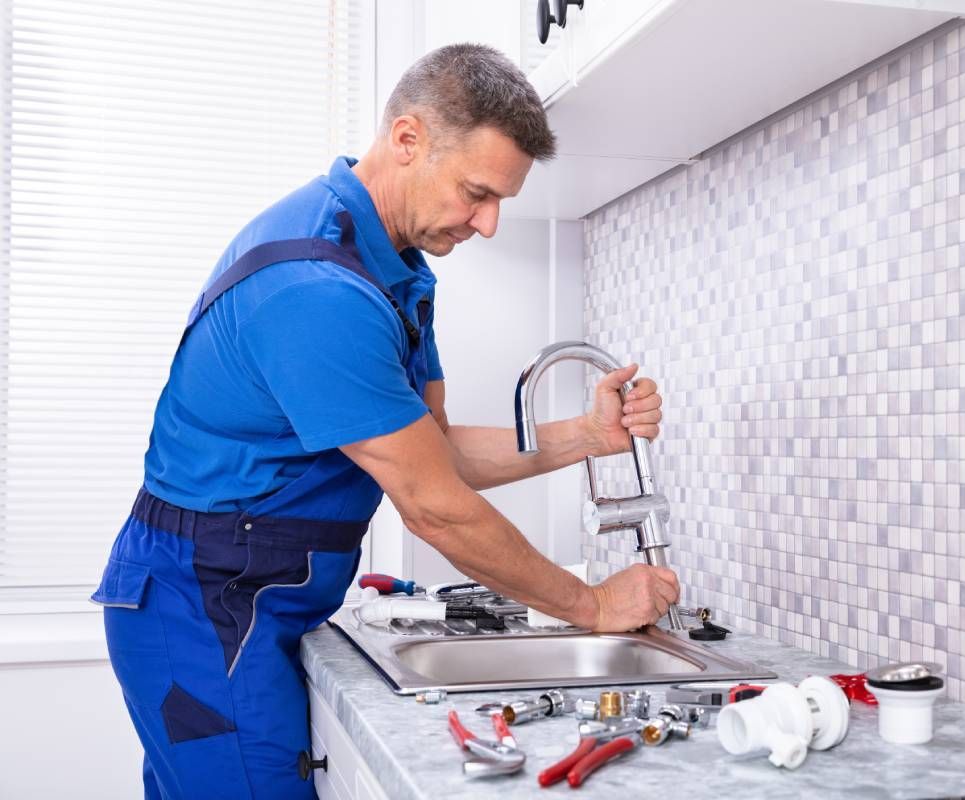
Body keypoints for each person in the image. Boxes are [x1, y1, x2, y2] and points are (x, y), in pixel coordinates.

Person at [90, 43, 679, 800]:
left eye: (500, 198)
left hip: (249, 597)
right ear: (408, 140)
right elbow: (433, 504)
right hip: (203, 609)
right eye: (477, 192)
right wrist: (591, 604)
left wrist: (585, 438)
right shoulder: (317, 289)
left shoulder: (394, 266)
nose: (490, 223)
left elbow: (429, 452)